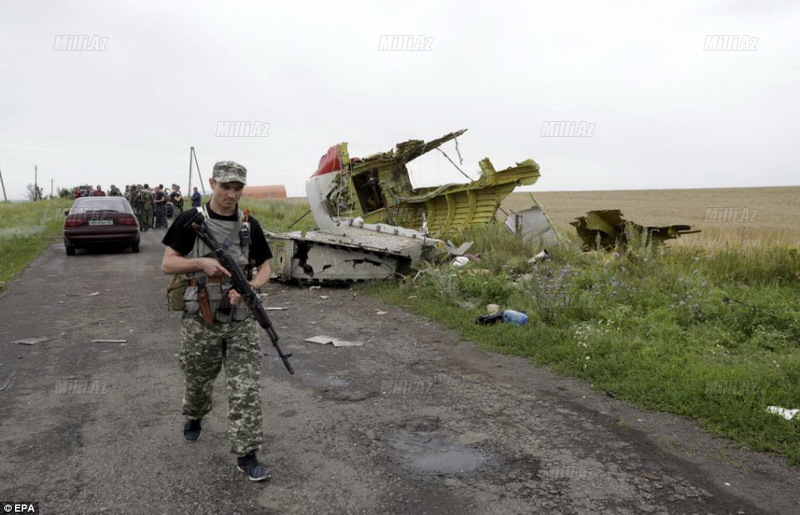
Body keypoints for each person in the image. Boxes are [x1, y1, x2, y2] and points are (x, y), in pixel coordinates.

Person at [161, 161, 273, 482]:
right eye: (225, 187)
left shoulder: (250, 225)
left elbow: (266, 267)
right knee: (197, 378)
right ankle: (194, 415)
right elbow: (168, 264)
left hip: (240, 320)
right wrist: (201, 262)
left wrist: (250, 287)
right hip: (201, 319)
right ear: (212, 183)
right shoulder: (190, 220)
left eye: (237, 189)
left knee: (246, 386)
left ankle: (247, 454)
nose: (231, 194)